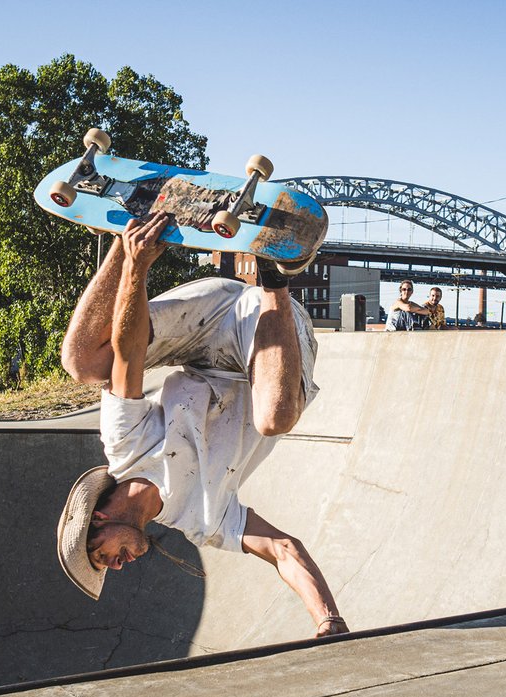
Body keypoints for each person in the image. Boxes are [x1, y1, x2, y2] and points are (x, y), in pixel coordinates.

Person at [56, 212, 348, 638]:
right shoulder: (204, 521)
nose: (119, 566)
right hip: (269, 339)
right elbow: (283, 550)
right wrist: (328, 620)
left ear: (98, 519)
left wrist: (137, 265)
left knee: (82, 360)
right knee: (274, 417)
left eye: (104, 558)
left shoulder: (123, 445)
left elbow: (129, 356)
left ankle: (132, 227)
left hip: (207, 323)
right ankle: (274, 269)